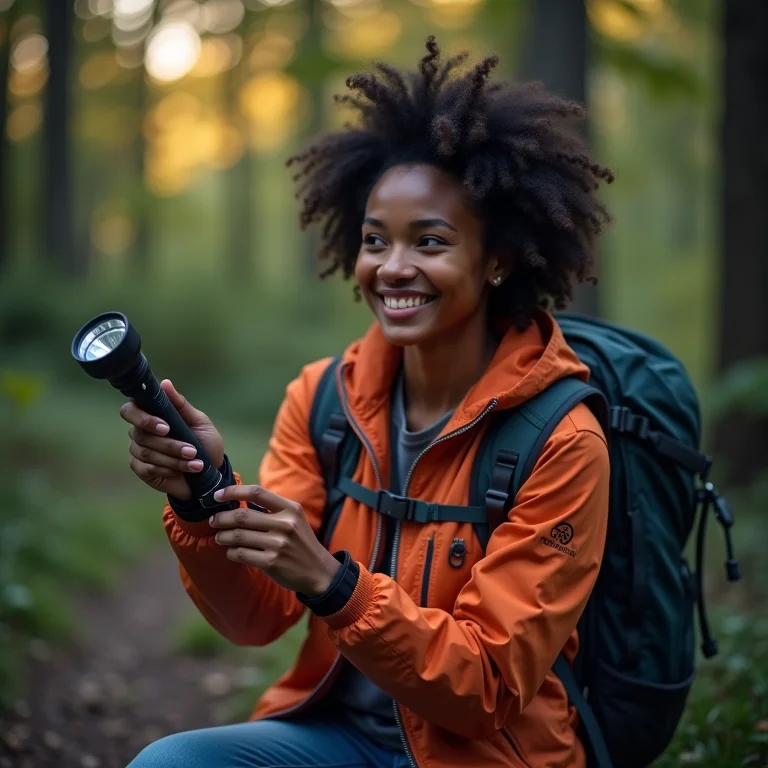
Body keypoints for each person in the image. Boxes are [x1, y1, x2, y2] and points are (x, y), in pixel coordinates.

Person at [124, 37, 612, 768]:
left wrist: (336, 585)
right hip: (337, 738)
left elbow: (486, 687)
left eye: (430, 242)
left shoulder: (561, 440)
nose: (393, 268)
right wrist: (202, 495)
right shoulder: (325, 398)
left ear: (497, 260)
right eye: (375, 240)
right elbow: (255, 617)